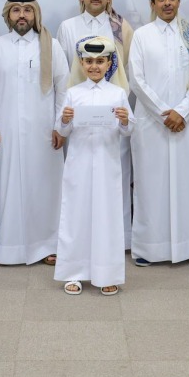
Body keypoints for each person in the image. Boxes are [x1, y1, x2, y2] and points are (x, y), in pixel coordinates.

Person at [126, 0, 189, 267]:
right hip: (152, 123)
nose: (167, 3)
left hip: (185, 121)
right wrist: (166, 113)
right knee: (151, 184)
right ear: (152, 4)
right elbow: (136, 80)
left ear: (178, 1)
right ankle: (148, 248)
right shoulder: (141, 35)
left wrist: (182, 111)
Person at [0, 0, 69, 266]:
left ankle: (48, 245)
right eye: (16, 10)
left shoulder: (51, 46)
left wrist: (60, 126)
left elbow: (63, 89)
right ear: (8, 15)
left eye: (27, 10)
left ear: (35, 14)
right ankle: (11, 248)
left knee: (46, 188)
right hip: (6, 132)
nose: (22, 15)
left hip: (44, 133)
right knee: (9, 187)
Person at [57, 0, 135, 248]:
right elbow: (64, 74)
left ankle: (118, 241)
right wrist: (63, 118)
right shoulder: (68, 27)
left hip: (113, 114)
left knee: (115, 178)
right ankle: (80, 242)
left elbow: (128, 69)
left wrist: (121, 111)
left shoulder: (121, 26)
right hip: (78, 116)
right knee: (79, 181)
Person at [54, 36, 135, 295]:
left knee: (107, 218)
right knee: (76, 217)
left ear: (109, 63)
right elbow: (62, 130)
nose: (94, 66)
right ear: (81, 63)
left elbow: (129, 130)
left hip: (107, 166)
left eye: (100, 61)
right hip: (78, 166)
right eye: (89, 61)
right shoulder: (73, 93)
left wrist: (125, 120)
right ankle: (73, 273)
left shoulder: (117, 93)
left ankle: (106, 274)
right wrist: (64, 119)